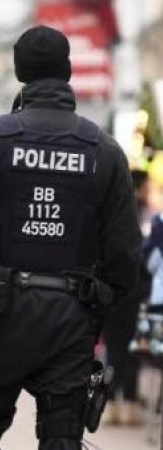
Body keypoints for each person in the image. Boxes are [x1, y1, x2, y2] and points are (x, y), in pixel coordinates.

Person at [0, 26, 142, 450]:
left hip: (1, 313)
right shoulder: (104, 150)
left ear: (19, 71)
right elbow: (124, 253)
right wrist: (102, 323)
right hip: (72, 316)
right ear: (68, 70)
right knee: (62, 438)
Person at [102, 169, 149, 425]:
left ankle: (110, 403)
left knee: (113, 351)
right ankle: (127, 404)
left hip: (112, 295)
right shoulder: (139, 216)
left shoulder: (110, 212)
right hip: (132, 295)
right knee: (131, 352)